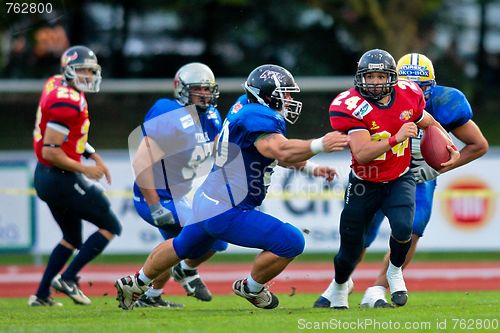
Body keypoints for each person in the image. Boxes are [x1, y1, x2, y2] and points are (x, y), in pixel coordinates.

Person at [114, 64, 350, 310]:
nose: (289, 99)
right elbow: (277, 149)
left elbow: (275, 154)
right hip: (229, 208)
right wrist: (320, 143)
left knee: (181, 246)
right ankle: (252, 288)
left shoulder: (244, 106)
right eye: (286, 94)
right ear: (268, 94)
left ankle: (136, 282)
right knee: (291, 241)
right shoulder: (257, 116)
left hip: (207, 199)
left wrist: (311, 168)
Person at [312, 49, 460, 309]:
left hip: (398, 178)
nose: (375, 82)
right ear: (361, 78)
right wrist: (396, 138)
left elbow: (426, 120)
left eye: (381, 76)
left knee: (405, 228)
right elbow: (362, 153)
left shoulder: (408, 93)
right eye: (370, 76)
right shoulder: (350, 105)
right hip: (364, 181)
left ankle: (394, 271)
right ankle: (339, 285)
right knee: (349, 248)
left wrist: (446, 141)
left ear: (391, 77)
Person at [357, 53, 489, 308]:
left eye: (423, 87)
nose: (416, 92)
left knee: (412, 229)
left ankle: (377, 290)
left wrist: (439, 169)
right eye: (409, 85)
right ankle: (339, 285)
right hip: (378, 170)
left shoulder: (445, 103)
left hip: (417, 174)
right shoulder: (373, 99)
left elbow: (478, 145)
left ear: (433, 86)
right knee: (361, 229)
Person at [29, 45, 122, 306]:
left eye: (90, 71)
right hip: (59, 176)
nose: (87, 76)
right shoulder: (66, 102)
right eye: (81, 70)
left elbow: (69, 137)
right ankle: (68, 278)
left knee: (72, 237)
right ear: (67, 70)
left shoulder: (56, 84)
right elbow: (51, 151)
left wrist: (91, 154)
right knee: (110, 225)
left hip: (45, 176)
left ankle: (41, 294)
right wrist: (86, 169)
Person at [130, 62, 228, 308]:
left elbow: (218, 152)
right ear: (181, 88)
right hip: (154, 196)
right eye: (198, 89)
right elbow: (142, 159)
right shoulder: (168, 111)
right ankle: (148, 287)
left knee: (212, 241)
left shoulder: (212, 116)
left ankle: (156, 292)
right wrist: (154, 205)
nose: (205, 94)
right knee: (201, 237)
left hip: (179, 195)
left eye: (208, 89)